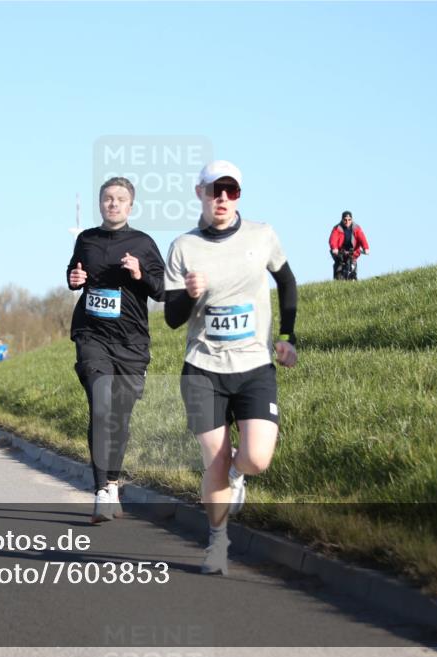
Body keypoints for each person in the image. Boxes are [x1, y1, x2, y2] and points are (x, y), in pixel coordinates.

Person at [164, 160, 298, 574]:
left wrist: (288, 336)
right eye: (214, 190)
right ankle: (217, 542)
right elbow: (172, 318)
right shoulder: (184, 246)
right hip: (203, 368)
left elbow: (287, 281)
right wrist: (189, 294)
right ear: (200, 192)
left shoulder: (262, 235)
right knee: (216, 461)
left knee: (255, 459)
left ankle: (238, 477)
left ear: (239, 195)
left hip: (255, 365)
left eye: (231, 191)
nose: (222, 198)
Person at [67, 176, 165, 523]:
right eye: (107, 198)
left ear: (130, 205)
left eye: (119, 199)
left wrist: (140, 274)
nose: (113, 203)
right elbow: (73, 272)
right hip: (92, 336)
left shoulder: (143, 243)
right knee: (101, 405)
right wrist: (74, 280)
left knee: (120, 418)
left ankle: (112, 482)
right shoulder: (86, 239)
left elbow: (162, 290)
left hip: (132, 343)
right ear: (100, 203)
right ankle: (100, 492)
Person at [328, 210, 370, 280]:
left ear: (352, 219)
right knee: (339, 267)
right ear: (342, 220)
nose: (347, 222)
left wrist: (366, 248)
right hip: (340, 252)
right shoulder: (337, 228)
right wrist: (334, 248)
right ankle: (338, 278)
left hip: (352, 252)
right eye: (345, 220)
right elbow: (333, 239)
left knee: (353, 267)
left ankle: (353, 278)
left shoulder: (356, 228)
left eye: (349, 220)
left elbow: (362, 238)